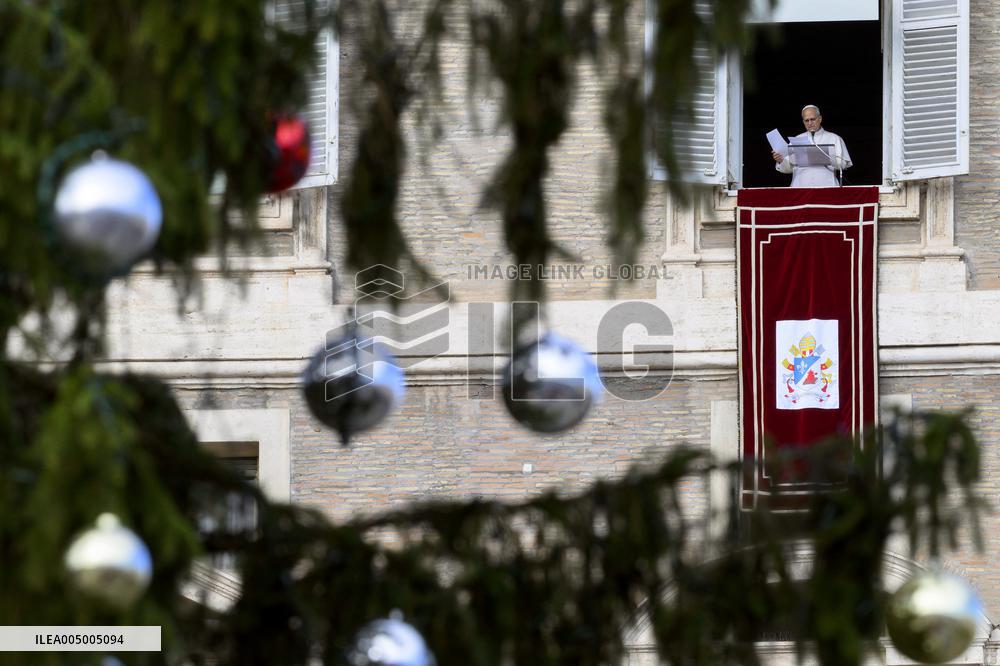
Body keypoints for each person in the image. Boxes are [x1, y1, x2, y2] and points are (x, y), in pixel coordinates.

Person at [771, 105, 852, 187]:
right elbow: (789, 169)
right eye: (806, 120)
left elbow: (844, 164)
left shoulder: (834, 138)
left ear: (820, 119)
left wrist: (826, 157)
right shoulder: (796, 140)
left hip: (827, 187)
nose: (810, 123)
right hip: (800, 189)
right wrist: (781, 160)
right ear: (803, 122)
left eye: (812, 119)